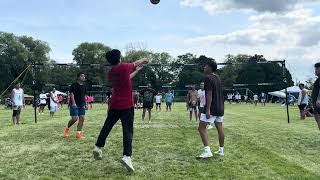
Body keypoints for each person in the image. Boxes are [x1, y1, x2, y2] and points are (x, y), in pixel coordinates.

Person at [93, 49, 148, 172]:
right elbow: (135, 63)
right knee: (128, 131)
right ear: (119, 58)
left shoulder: (111, 72)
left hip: (114, 104)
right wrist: (144, 59)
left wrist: (137, 71)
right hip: (126, 105)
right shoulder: (124, 67)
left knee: (107, 126)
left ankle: (98, 147)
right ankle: (127, 156)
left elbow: (126, 78)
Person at [197, 61, 225, 159]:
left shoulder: (208, 78)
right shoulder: (217, 77)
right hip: (220, 107)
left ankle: (207, 151)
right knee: (220, 128)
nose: (204, 68)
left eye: (205, 66)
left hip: (212, 108)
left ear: (209, 67)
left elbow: (209, 94)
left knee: (201, 128)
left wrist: (208, 109)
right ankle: (221, 150)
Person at [64, 72, 88, 139]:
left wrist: (86, 104)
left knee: (82, 118)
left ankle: (78, 133)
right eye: (82, 76)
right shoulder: (74, 85)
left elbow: (85, 96)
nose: (83, 77)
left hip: (82, 105)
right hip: (74, 104)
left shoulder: (84, 86)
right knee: (74, 118)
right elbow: (72, 94)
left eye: (84, 76)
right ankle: (67, 129)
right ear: (78, 77)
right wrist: (74, 103)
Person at [311, 63, 320, 130]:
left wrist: (319, 99)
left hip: (318, 103)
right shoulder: (318, 79)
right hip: (315, 103)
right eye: (315, 69)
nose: (315, 70)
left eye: (317, 68)